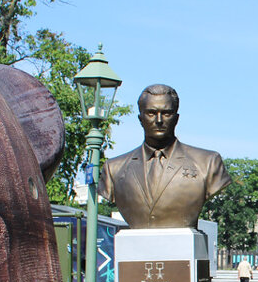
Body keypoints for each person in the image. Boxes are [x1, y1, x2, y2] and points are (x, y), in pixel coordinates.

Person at [98, 84, 232, 228]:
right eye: (151, 113)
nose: (159, 120)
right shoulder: (114, 169)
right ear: (140, 118)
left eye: (166, 113)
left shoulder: (208, 162)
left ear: (176, 118)